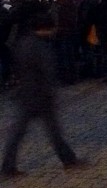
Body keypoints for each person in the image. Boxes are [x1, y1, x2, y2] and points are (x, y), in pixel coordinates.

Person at [1, 11, 84, 177]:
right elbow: (48, 71)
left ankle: (8, 165)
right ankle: (67, 159)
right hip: (41, 95)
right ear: (46, 28)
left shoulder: (23, 42)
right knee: (52, 130)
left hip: (26, 93)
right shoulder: (41, 46)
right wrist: (52, 90)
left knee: (19, 132)